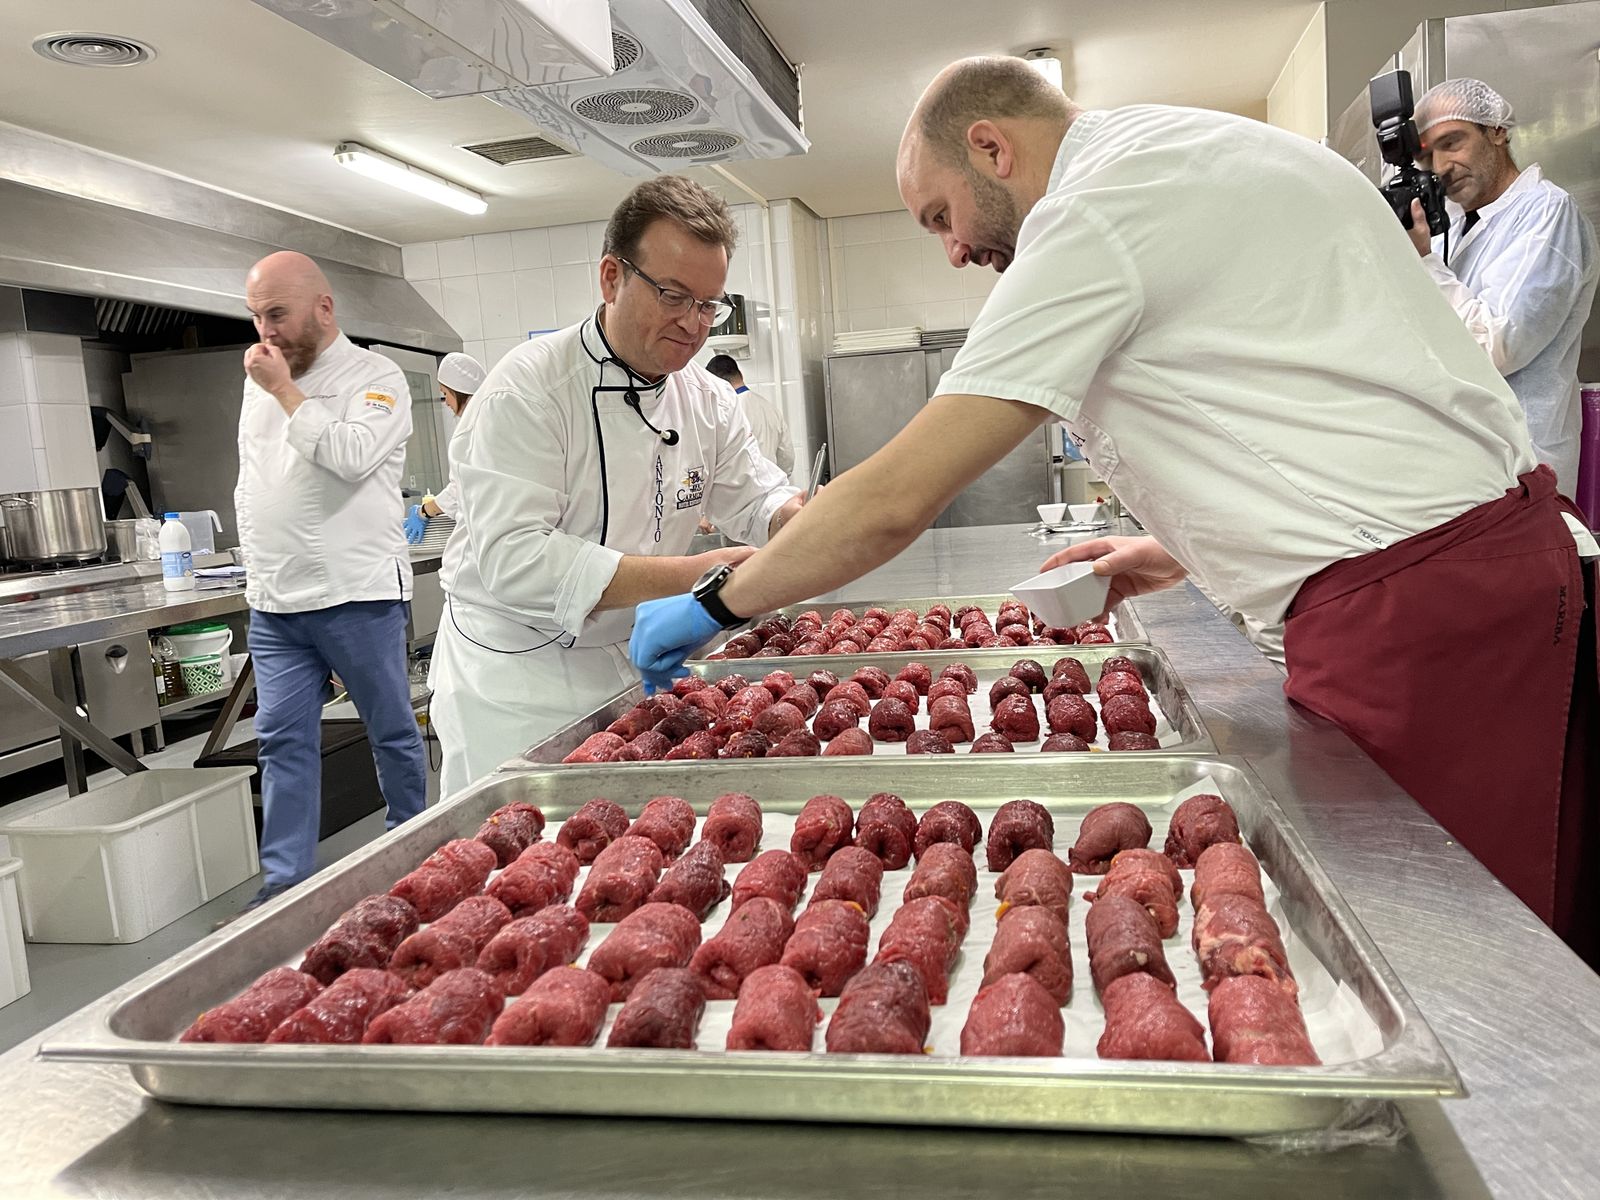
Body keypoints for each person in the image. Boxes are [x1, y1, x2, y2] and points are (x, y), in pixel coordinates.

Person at [630, 56, 1598, 961]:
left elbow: (894, 499)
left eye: (937, 216)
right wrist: (1175, 547)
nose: (955, 249)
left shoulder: (1094, 211)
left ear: (991, 149)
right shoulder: (1185, 151)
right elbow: (1299, 392)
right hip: (1464, 574)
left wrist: (720, 601)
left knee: (1451, 952)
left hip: (1425, 609)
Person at [428, 176, 803, 798]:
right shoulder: (530, 389)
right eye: (674, 296)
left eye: (710, 304)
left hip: (635, 661)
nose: (695, 324)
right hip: (516, 679)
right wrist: (697, 574)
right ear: (611, 278)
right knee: (513, 864)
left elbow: (759, 496)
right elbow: (514, 558)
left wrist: (807, 523)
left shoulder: (705, 398)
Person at [235, 251, 427, 908]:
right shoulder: (259, 383)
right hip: (276, 601)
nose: (267, 329)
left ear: (323, 308)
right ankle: (284, 888)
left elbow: (349, 456)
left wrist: (286, 391)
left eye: (278, 313)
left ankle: (412, 862)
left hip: (358, 593)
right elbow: (258, 481)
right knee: (281, 739)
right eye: (257, 315)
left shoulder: (378, 376)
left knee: (392, 730)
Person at [1404, 78, 1599, 496]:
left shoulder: (1546, 213)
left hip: (1521, 464)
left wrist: (1423, 262)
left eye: (1452, 142)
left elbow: (1499, 345)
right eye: (1426, 157)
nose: (1439, 167)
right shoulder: (1451, 228)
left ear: (1496, 131)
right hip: (1460, 463)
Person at [405, 351, 485, 544]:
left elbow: (461, 488)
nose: (446, 402)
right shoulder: (488, 418)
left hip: (479, 531)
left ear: (457, 391)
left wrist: (424, 511)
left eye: (445, 394)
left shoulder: (472, 430)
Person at [704, 353, 795, 476]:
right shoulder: (770, 408)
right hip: (771, 487)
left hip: (739, 490)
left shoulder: (723, 413)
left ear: (714, 383)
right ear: (740, 374)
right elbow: (787, 457)